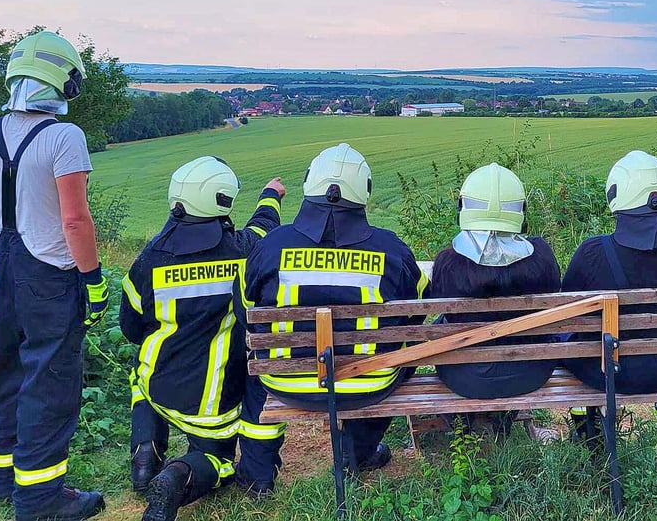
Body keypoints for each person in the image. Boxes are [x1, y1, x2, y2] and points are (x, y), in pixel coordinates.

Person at [0, 31, 107, 521]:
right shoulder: (64, 137)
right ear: (63, 80)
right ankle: (41, 499)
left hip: (7, 267)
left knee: (6, 370)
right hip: (52, 275)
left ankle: (4, 478)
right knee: (49, 382)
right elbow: (74, 220)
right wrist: (93, 280)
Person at [234, 143, 429, 496]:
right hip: (369, 383)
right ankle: (359, 454)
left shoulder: (270, 246)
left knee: (254, 372)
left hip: (283, 381)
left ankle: (257, 476)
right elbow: (418, 308)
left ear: (310, 183)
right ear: (364, 190)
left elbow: (245, 310)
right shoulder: (392, 249)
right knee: (403, 352)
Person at [119, 156, 284, 521]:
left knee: (139, 370)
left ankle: (145, 455)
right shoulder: (241, 251)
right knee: (218, 461)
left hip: (157, 387)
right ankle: (177, 476)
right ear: (222, 201)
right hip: (212, 405)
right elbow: (263, 229)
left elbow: (130, 328)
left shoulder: (148, 260)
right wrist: (270, 195)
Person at [560, 151, 657, 475]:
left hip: (604, 372)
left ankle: (590, 442)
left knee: (573, 346)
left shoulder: (592, 252)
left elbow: (568, 315)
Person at [430, 163, 559, 432]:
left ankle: (468, 428)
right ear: (521, 211)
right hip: (532, 372)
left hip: (463, 377)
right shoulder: (542, 258)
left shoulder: (447, 263)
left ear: (463, 208)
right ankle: (502, 423)